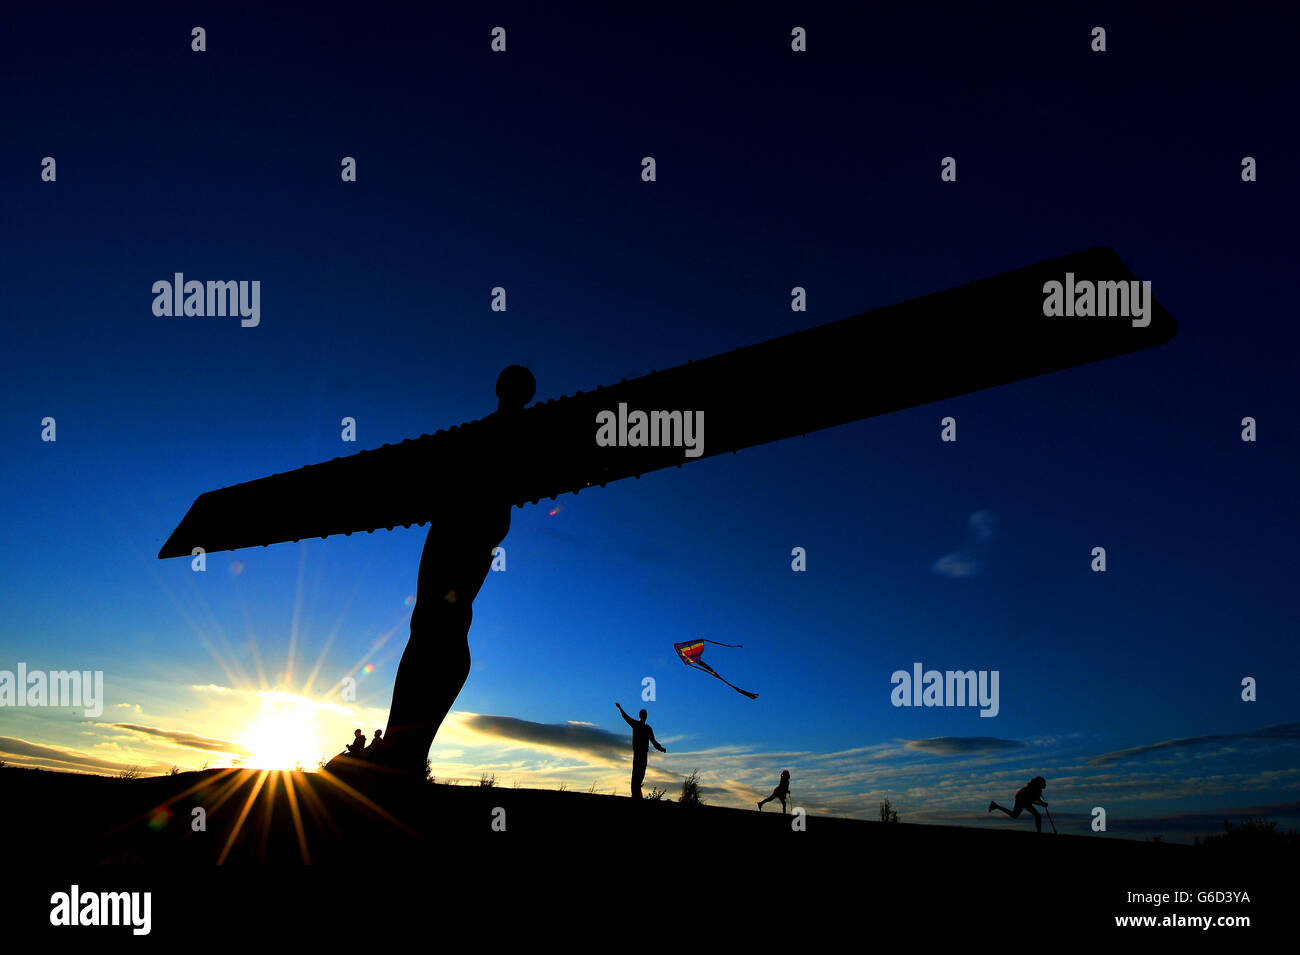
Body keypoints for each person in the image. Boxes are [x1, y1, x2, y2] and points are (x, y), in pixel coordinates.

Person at [373, 366, 535, 777]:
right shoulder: (480, 435)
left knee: (438, 620)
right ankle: (403, 746)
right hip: (460, 525)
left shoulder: (519, 433)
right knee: (435, 620)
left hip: (467, 529)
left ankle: (403, 748)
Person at [615, 702, 666, 799]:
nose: (643, 717)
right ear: (640, 716)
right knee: (636, 776)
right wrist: (620, 708)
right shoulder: (637, 725)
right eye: (643, 715)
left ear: (645, 717)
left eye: (644, 715)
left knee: (639, 776)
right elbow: (626, 717)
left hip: (642, 755)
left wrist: (661, 748)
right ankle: (636, 795)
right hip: (638, 754)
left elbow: (654, 742)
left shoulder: (647, 728)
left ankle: (636, 795)